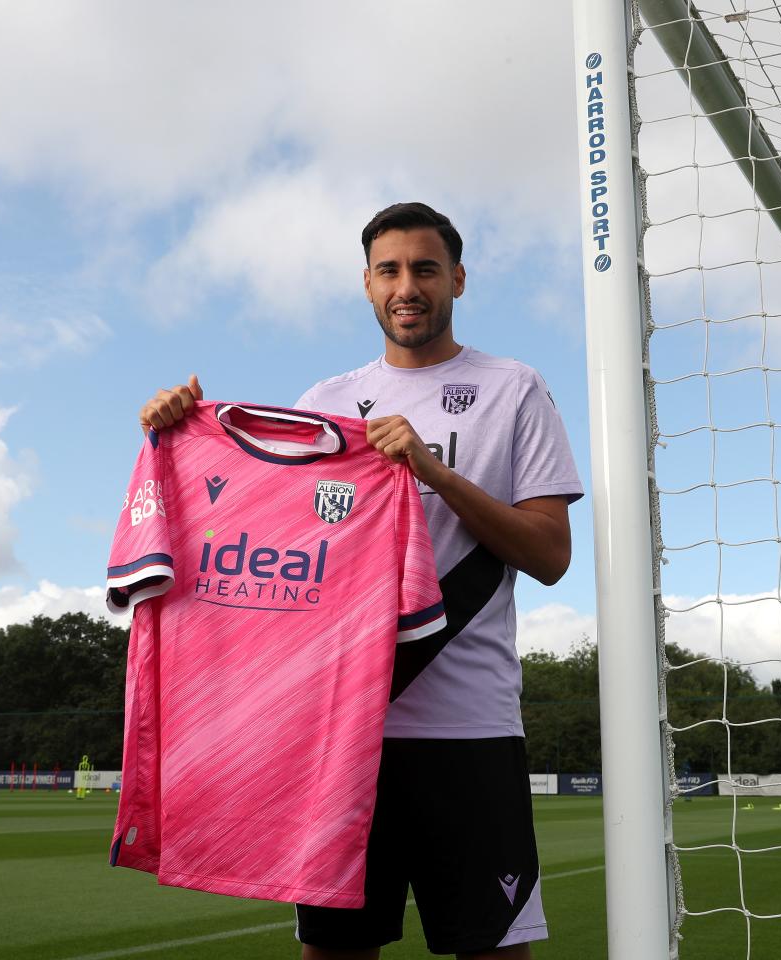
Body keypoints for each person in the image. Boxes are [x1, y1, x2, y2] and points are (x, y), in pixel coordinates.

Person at [138, 202, 582, 960]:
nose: (407, 287)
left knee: (493, 950)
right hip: (338, 733)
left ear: (458, 280)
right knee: (335, 953)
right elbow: (267, 544)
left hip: (467, 728)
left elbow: (549, 555)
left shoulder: (514, 388)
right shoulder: (324, 403)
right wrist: (177, 433)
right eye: (390, 270)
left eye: (426, 269)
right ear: (367, 284)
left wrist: (434, 472)